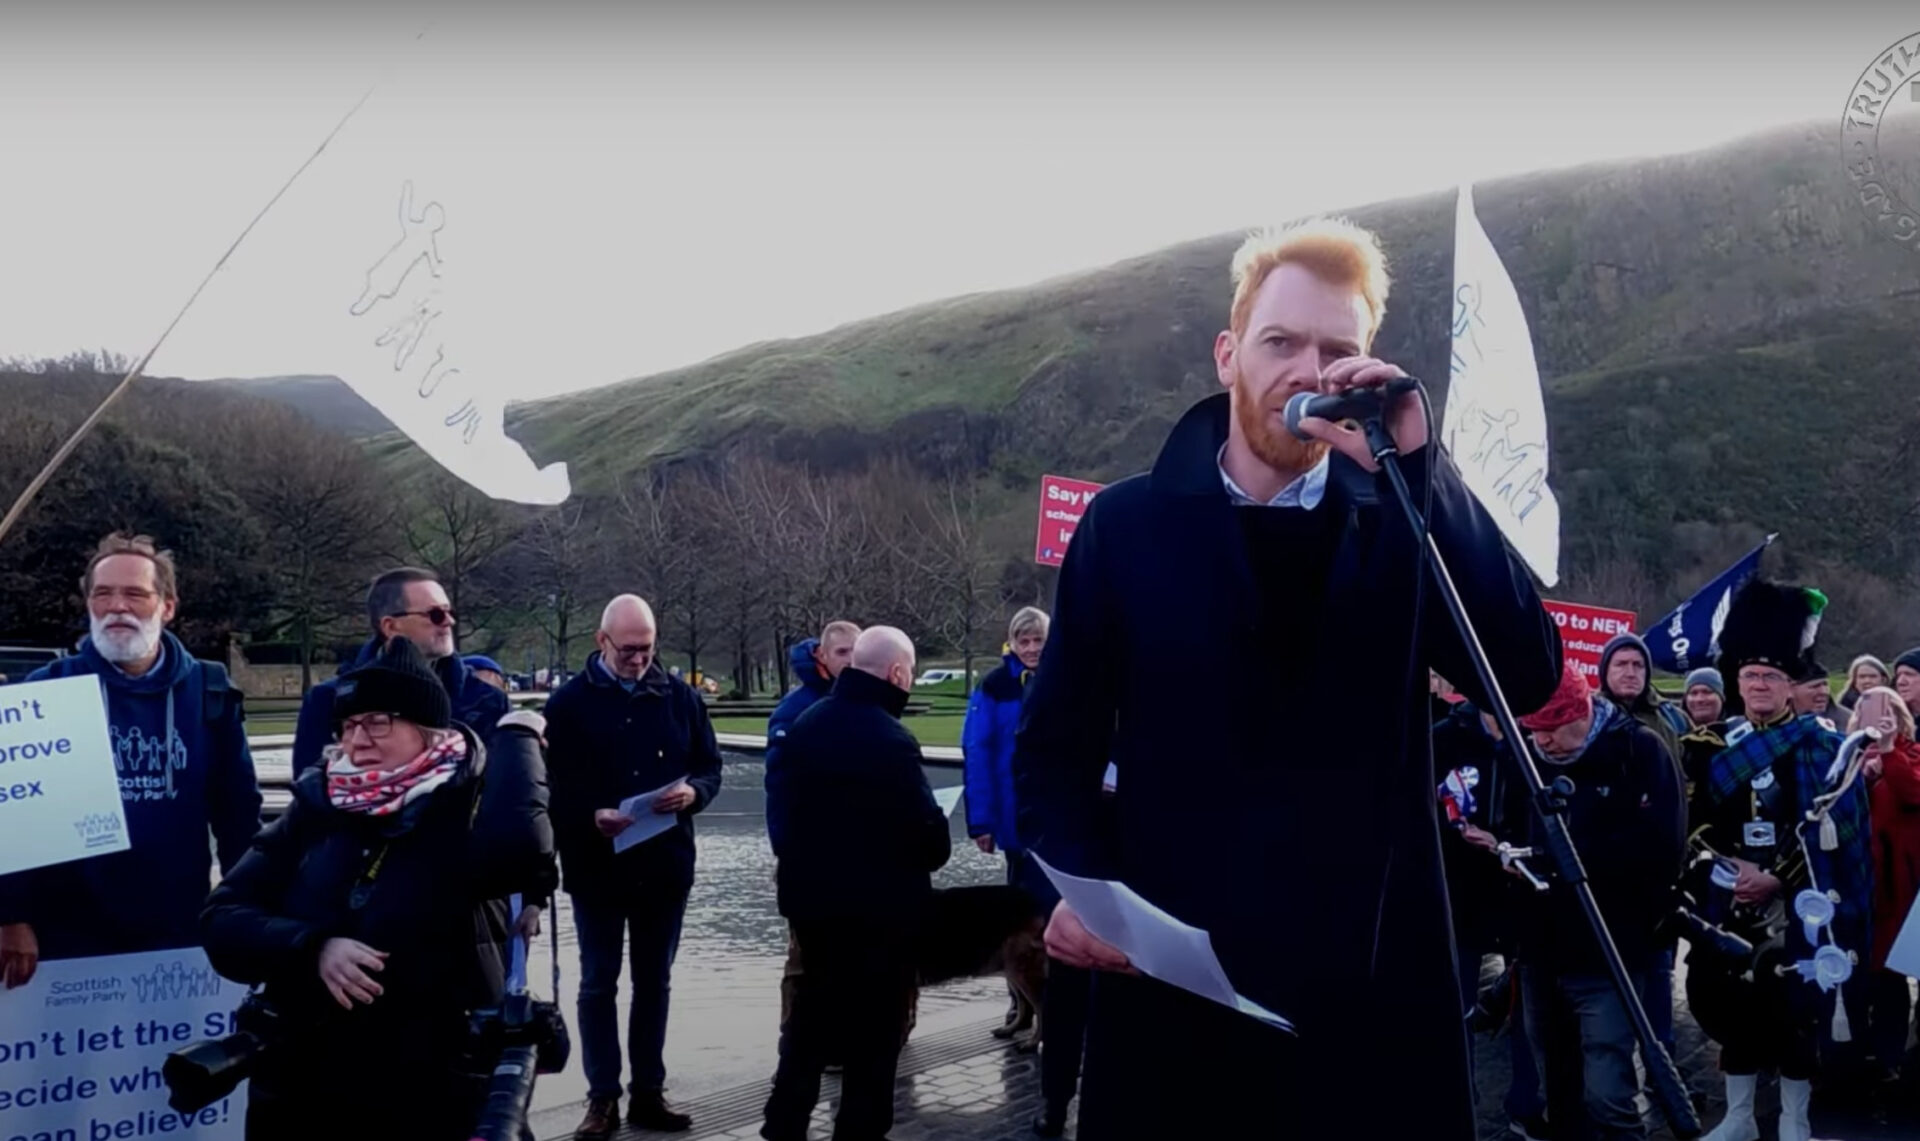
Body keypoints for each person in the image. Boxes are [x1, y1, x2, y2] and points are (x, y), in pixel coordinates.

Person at [1011, 217, 1564, 1139]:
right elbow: (1052, 752)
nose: (1308, 371)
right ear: (1228, 354)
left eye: (1337, 350)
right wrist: (1070, 890)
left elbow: (1529, 670)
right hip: (1175, 994)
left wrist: (1425, 472)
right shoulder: (1127, 526)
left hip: (1370, 1009)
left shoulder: (1400, 519)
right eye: (1280, 342)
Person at [201, 639, 555, 1140]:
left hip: (436, 1085)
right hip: (311, 1084)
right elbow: (222, 918)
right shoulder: (315, 805)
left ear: (428, 730)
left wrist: (517, 739)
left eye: (378, 722)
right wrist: (312, 947)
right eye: (348, 725)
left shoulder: (468, 805)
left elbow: (523, 854)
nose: (358, 739)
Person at [0, 533, 261, 986]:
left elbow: (238, 812)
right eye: (103, 594)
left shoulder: (210, 691)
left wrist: (248, 909)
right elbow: (12, 816)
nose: (117, 607)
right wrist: (10, 913)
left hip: (177, 928)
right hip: (65, 936)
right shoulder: (44, 691)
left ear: (167, 606)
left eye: (135, 594)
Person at [1686, 579, 1871, 1141]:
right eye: (1750, 676)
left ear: (1791, 685)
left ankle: (1795, 1121)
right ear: (1737, 682)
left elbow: (1832, 830)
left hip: (1800, 900)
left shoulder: (1822, 745)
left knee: (1796, 1011)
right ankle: (1739, 1118)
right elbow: (1692, 822)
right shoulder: (1709, 744)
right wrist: (1728, 870)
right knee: (1734, 1008)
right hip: (1728, 897)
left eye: (1770, 676)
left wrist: (1775, 878)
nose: (1759, 685)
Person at [761, 627, 952, 1141]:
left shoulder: (805, 724)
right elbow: (930, 842)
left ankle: (782, 1125)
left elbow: (787, 815)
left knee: (807, 1025)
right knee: (875, 1040)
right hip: (879, 919)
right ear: (897, 673)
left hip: (813, 909)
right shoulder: (893, 741)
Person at [546, 595, 723, 1139]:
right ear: (601, 641)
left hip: (663, 864)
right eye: (628, 650)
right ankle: (602, 1098)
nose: (639, 659)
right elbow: (547, 787)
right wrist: (589, 815)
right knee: (598, 983)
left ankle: (649, 1091)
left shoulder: (680, 697)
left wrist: (693, 794)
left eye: (647, 648)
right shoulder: (568, 704)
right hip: (597, 867)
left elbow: (710, 767)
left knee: (654, 982)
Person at [1511, 663, 1685, 1141]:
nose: (1542, 741)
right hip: (1541, 952)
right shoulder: (1525, 756)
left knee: (1608, 1092)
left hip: (1610, 950)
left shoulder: (1639, 750)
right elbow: (1509, 822)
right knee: (1558, 1089)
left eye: (1552, 728)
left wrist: (1576, 858)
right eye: (1533, 730)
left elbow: (1664, 847)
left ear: (1581, 712)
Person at [1433, 697, 1549, 1141]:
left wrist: (1511, 844)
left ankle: (1527, 1106)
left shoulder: (1539, 736)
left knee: (1529, 1013)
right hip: (1459, 896)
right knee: (1454, 1008)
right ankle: (1456, 1102)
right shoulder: (1444, 738)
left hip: (1522, 896)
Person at [292, 567, 509, 776]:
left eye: (449, 612)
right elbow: (310, 787)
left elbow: (504, 785)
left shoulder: (488, 700)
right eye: (435, 614)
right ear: (390, 626)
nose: (449, 622)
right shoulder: (328, 699)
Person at [766, 620, 861, 1033]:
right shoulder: (794, 711)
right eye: (842, 653)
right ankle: (795, 1036)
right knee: (804, 955)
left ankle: (847, 1033)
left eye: (856, 652)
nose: (851, 660)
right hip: (808, 853)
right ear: (822, 655)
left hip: (854, 851)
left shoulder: (863, 703)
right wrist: (787, 851)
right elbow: (779, 789)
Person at [963, 607, 1048, 1039]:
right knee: (1018, 923)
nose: (1031, 649)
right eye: (1024, 641)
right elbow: (977, 752)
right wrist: (980, 821)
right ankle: (1023, 1006)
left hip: (1055, 820)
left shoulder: (1064, 676)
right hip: (1016, 823)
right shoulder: (995, 686)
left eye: (1038, 640)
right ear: (1012, 643)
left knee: (1057, 918)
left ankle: (1056, 1013)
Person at [1856, 687, 1920, 1083]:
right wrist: (1862, 776)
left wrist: (1888, 749)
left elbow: (1913, 792)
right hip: (1870, 886)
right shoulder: (1850, 758)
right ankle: (1884, 1057)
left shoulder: (1912, 754)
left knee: (1909, 964)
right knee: (1883, 978)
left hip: (1906, 886)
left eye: (1889, 713)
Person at [1597, 633, 1688, 758]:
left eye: (1638, 665)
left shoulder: (1673, 718)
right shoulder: (1587, 719)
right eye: (1621, 664)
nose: (1630, 673)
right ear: (1605, 670)